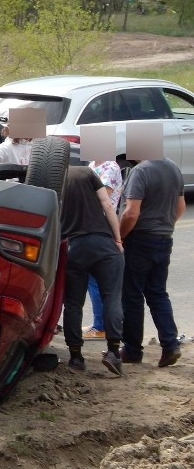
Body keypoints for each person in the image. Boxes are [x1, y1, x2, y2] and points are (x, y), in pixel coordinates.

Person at [119, 158, 186, 367]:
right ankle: (170, 344)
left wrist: (119, 237)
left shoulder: (140, 171)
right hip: (164, 238)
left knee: (132, 295)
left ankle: (132, 350)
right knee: (158, 293)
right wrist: (165, 226)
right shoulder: (173, 168)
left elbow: (131, 212)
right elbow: (180, 205)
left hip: (139, 240)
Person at [60, 165, 125, 376]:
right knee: (112, 298)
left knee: (73, 304)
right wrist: (117, 239)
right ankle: (114, 352)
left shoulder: (54, 180)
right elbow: (107, 205)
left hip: (75, 247)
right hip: (103, 243)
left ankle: (76, 357)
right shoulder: (86, 173)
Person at [82, 160, 124, 340]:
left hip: (102, 225)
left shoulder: (110, 167)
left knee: (96, 280)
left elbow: (103, 199)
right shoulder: (91, 165)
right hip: (91, 224)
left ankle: (101, 326)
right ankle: (100, 323)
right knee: (92, 279)